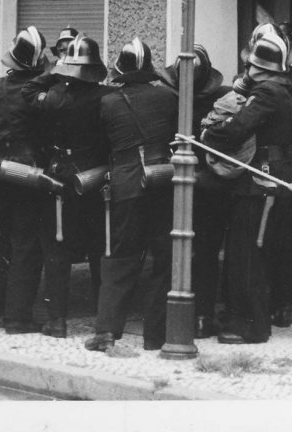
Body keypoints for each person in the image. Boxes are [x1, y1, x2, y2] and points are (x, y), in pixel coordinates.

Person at [202, 31, 292, 344]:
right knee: (255, 252)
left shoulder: (267, 91)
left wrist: (212, 131)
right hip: (269, 174)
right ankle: (249, 319)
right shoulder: (282, 87)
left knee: (246, 253)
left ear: (259, 68)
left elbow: (239, 127)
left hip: (260, 178)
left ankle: (250, 326)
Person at [86, 38, 177, 354]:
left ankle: (107, 331)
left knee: (120, 258)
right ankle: (156, 335)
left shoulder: (109, 102)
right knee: (161, 259)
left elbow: (101, 145)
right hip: (162, 181)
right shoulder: (168, 98)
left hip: (126, 184)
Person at [24, 33, 109, 338]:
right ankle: (103, 317)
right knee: (100, 247)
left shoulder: (55, 96)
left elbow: (28, 91)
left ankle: (57, 320)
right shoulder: (105, 97)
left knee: (56, 249)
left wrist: (54, 70)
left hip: (59, 176)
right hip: (95, 177)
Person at [160, 43, 228, 337]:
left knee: (177, 249)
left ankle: (180, 315)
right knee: (207, 252)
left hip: (176, 184)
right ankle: (201, 315)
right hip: (209, 184)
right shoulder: (222, 100)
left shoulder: (166, 100)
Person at [0, 26, 49, 333]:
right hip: (27, 171)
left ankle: (3, 306)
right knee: (27, 245)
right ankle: (18, 317)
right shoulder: (35, 92)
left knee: (4, 241)